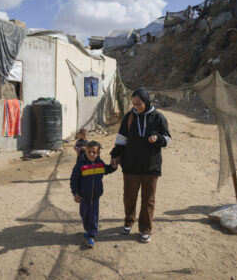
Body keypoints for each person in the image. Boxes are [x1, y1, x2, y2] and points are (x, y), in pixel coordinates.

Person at [110, 88, 171, 243]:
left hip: (151, 166)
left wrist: (157, 138)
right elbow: (121, 139)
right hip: (130, 165)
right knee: (129, 196)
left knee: (148, 199)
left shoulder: (158, 117)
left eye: (139, 103)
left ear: (146, 101)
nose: (136, 106)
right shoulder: (129, 117)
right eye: (134, 104)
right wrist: (115, 156)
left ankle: (145, 228)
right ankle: (129, 221)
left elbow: (167, 139)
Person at [70, 140, 117, 247]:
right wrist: (75, 193)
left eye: (94, 152)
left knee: (94, 215)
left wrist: (113, 166)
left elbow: (107, 170)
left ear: (98, 153)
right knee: (84, 215)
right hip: (83, 197)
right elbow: (74, 179)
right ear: (86, 151)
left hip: (95, 197)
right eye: (89, 151)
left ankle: (92, 235)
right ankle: (88, 229)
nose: (92, 154)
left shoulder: (100, 164)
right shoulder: (80, 165)